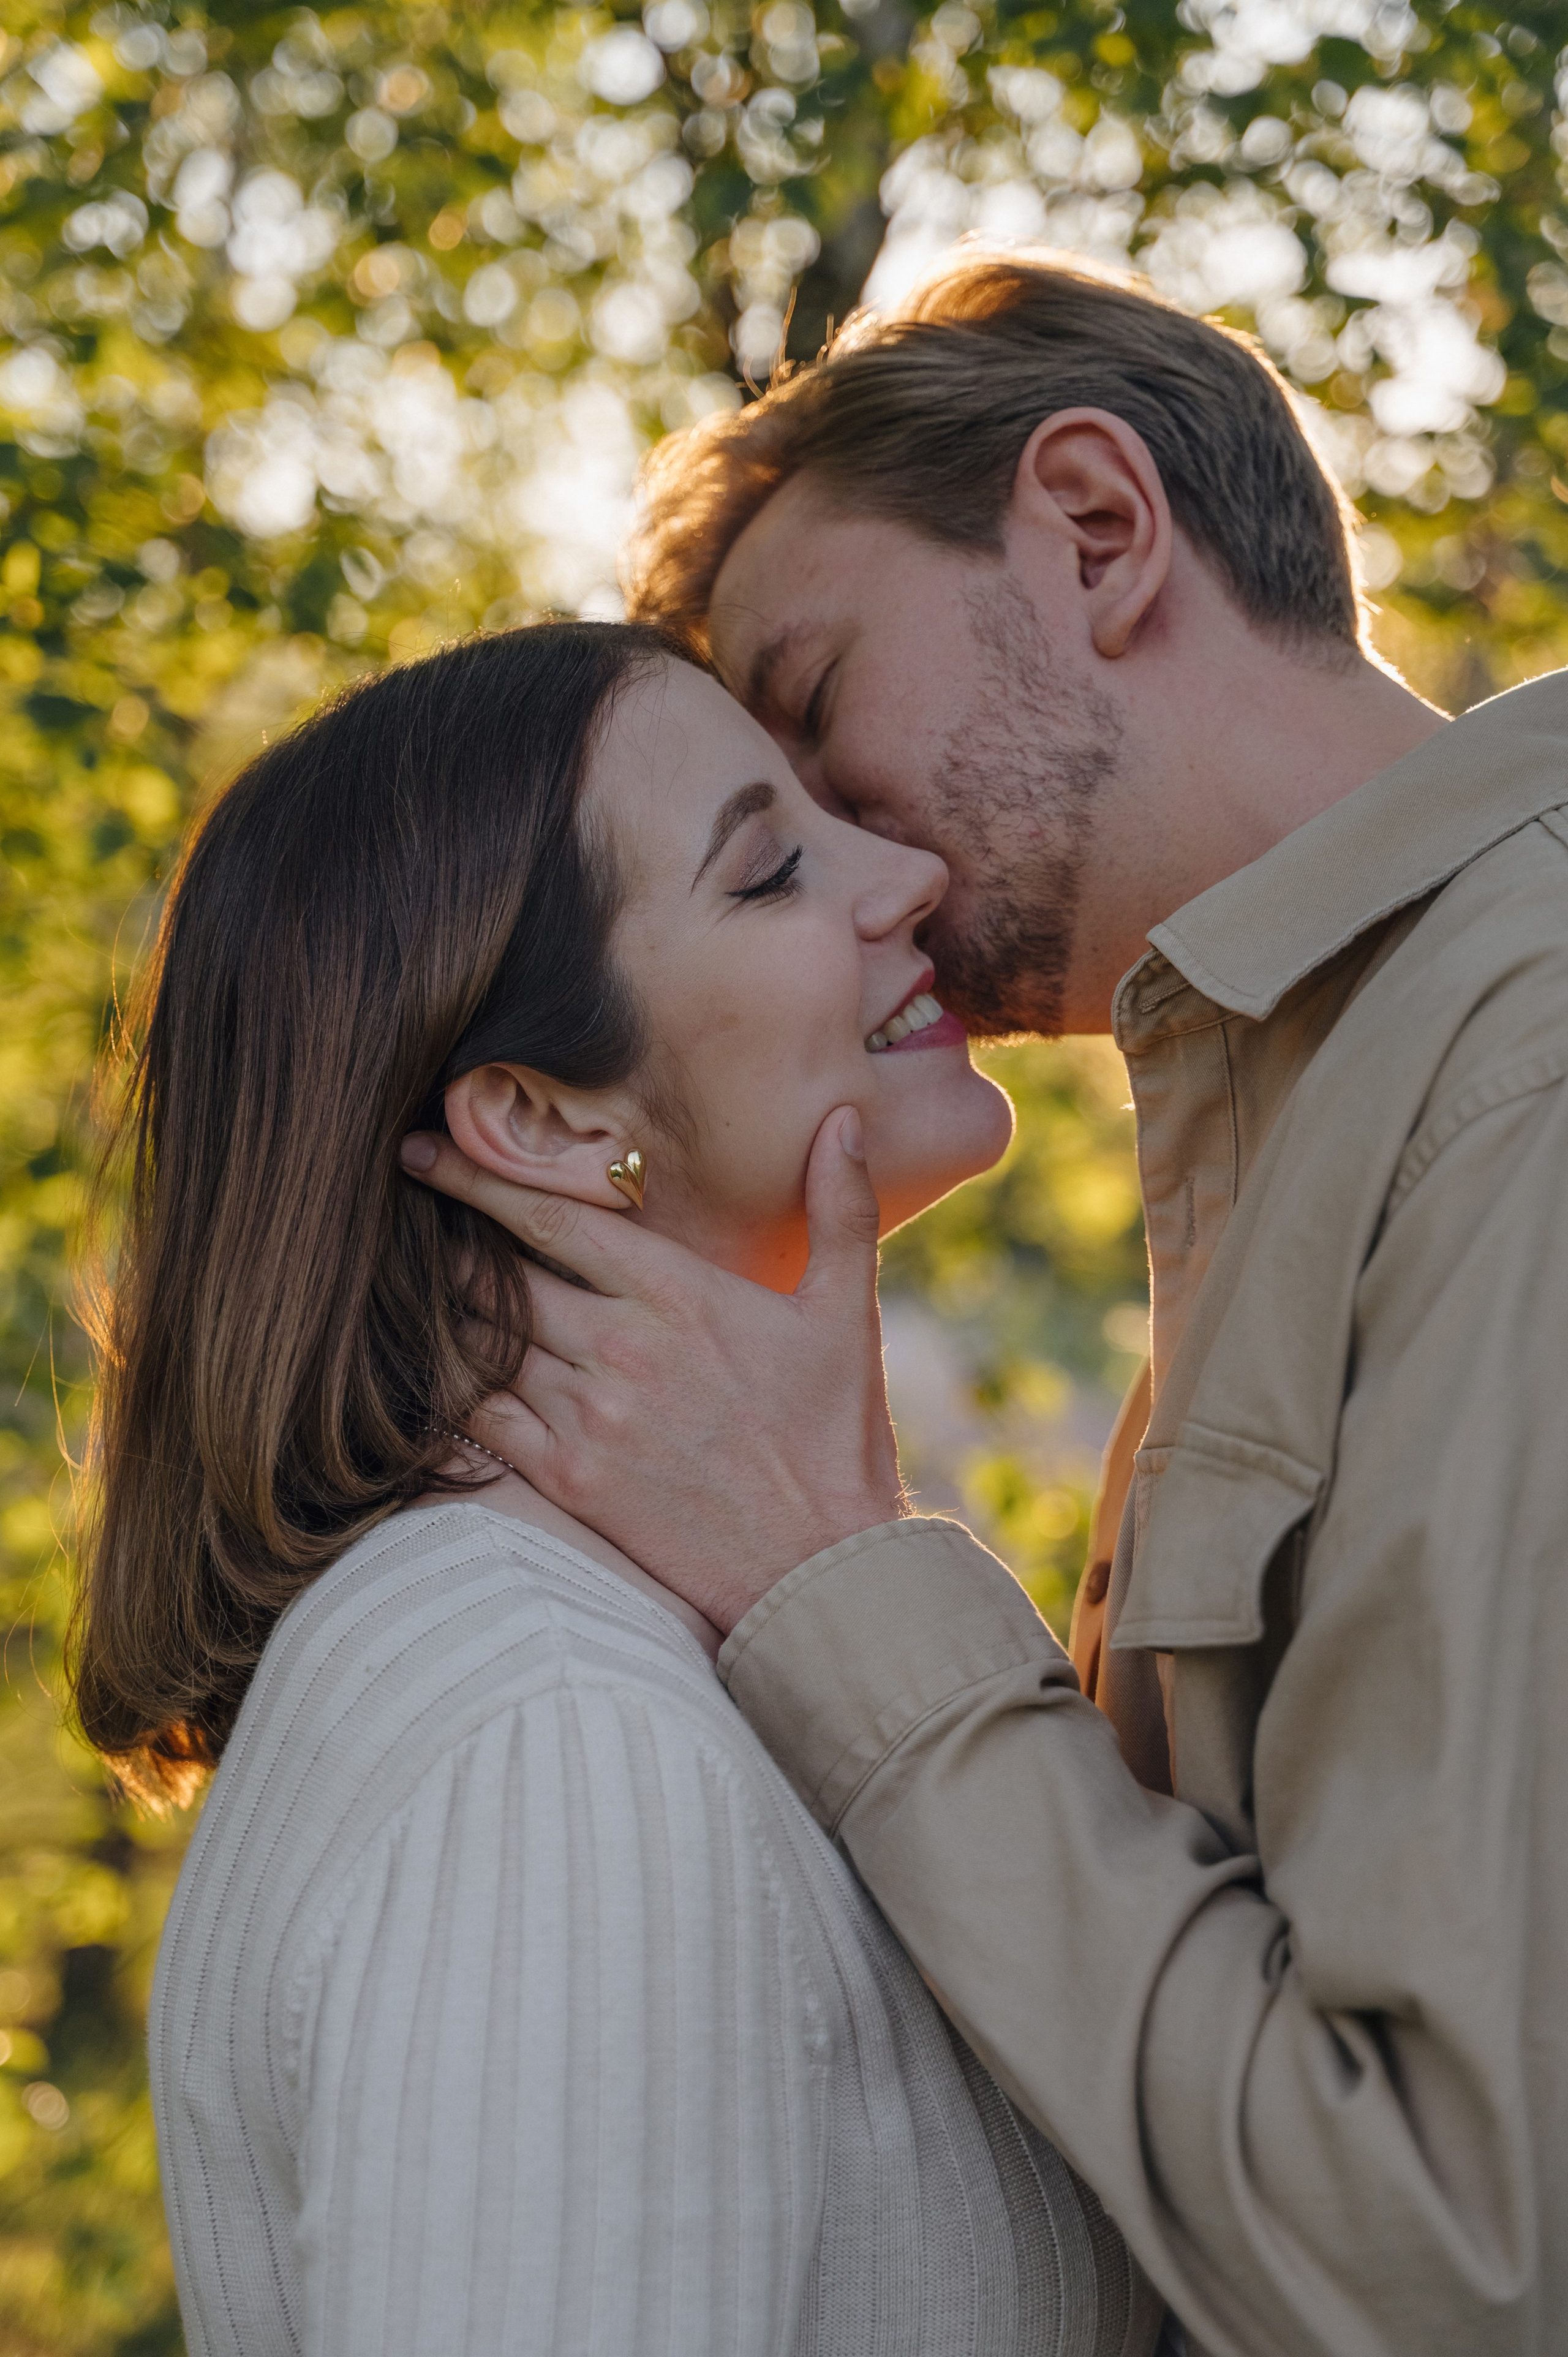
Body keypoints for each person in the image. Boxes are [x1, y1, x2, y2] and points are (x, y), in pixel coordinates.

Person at [400, 252, 1568, 2353]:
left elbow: (1460, 2259)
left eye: (824, 713)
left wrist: (842, 1585)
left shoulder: (1523, 1069)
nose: (874, 881)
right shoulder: (1316, 1115)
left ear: (1099, 530)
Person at [70, 619, 1164, 2357]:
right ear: (547, 1122)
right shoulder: (555, 1727)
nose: (912, 876)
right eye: (775, 867)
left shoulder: (646, 1649)